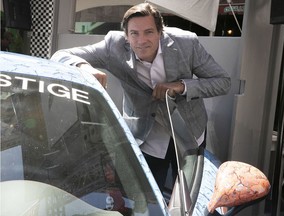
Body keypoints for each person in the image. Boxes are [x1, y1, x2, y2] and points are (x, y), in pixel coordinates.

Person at [51, 3, 231, 192]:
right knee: (146, 199)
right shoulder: (114, 45)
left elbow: (222, 81)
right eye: (134, 33)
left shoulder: (186, 43)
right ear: (126, 35)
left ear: (160, 32)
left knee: (191, 198)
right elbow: (60, 55)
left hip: (189, 133)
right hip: (146, 138)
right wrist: (84, 67)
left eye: (148, 32)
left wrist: (181, 86)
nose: (141, 40)